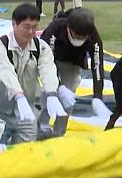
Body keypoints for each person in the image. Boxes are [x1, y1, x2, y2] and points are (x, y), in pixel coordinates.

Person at [0, 3, 65, 144]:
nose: (31, 32)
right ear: (14, 24)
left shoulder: (41, 48)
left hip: (27, 111)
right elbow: (6, 72)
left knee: (25, 152)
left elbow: (48, 70)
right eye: (26, 27)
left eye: (34, 27)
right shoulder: (0, 46)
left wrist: (52, 93)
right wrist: (18, 96)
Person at [39, 8, 112, 137]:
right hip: (52, 60)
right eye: (76, 35)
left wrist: (97, 96)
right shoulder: (55, 28)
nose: (79, 39)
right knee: (49, 94)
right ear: (69, 27)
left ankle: (59, 133)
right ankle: (42, 127)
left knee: (68, 100)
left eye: (83, 37)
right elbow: (45, 60)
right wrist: (59, 86)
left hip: (72, 64)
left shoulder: (93, 37)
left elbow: (97, 65)